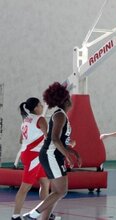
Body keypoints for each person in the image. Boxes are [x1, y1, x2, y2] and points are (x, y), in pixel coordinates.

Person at [23, 82, 81, 220]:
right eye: (70, 97)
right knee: (61, 191)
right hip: (51, 155)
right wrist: (67, 155)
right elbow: (54, 139)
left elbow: (59, 140)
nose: (71, 100)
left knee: (56, 192)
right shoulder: (60, 115)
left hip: (53, 155)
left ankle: (42, 217)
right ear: (66, 100)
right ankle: (32, 215)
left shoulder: (62, 116)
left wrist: (73, 153)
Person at [12, 98, 54, 220]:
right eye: (40, 105)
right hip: (34, 156)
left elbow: (21, 139)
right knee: (25, 187)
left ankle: (46, 213)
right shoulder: (40, 119)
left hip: (29, 154)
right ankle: (15, 216)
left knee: (45, 183)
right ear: (36, 107)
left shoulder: (26, 120)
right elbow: (49, 137)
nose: (42, 107)